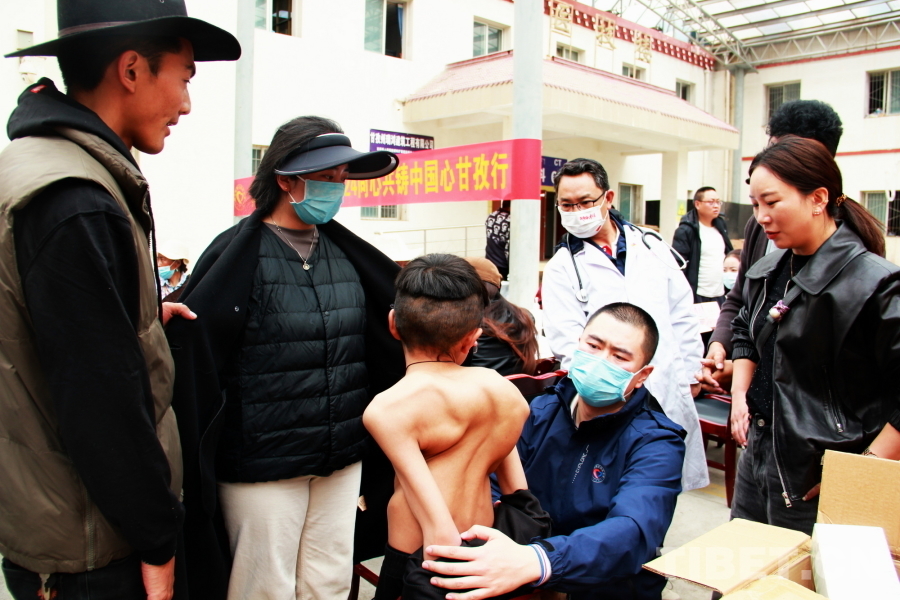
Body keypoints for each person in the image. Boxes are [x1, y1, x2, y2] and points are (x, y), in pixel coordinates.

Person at [0, 2, 239, 599]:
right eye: (184, 78)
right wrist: (157, 540)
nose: (187, 104)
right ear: (132, 70)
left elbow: (43, 328)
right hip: (93, 546)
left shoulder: (41, 167)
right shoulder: (74, 200)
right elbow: (98, 400)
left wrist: (136, 319)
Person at [163, 116, 405, 600]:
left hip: (340, 456)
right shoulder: (237, 254)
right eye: (325, 178)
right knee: (264, 586)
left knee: (330, 581)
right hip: (262, 463)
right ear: (285, 180)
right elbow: (198, 348)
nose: (336, 189)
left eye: (341, 179)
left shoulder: (347, 254)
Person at [422, 302, 686, 600]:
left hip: (603, 586)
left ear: (642, 374)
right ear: (579, 343)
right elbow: (491, 479)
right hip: (519, 566)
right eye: (593, 346)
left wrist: (539, 560)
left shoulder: (657, 442)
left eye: (619, 356)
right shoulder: (541, 411)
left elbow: (633, 531)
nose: (600, 361)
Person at [729, 135, 900, 535]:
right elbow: (744, 329)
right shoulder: (769, 270)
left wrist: (862, 471)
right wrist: (740, 394)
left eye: (772, 202)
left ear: (818, 198)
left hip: (823, 468)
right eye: (755, 205)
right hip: (760, 451)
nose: (761, 217)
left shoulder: (875, 283)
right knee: (745, 563)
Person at [364, 253, 539, 600]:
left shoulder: (389, 408)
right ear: (472, 338)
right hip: (488, 544)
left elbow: (438, 529)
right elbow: (519, 495)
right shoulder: (504, 393)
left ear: (393, 323)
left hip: (423, 559)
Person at [541, 158, 707, 492]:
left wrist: (690, 373)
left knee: (663, 481)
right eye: (567, 205)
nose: (576, 211)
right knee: (618, 486)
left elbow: (681, 314)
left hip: (667, 380)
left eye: (585, 202)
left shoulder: (650, 244)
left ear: (608, 197)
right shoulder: (562, 267)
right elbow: (568, 342)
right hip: (611, 393)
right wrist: (605, 389)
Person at [700, 99, 843, 393]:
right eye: (756, 204)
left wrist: (747, 373)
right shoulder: (760, 226)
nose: (763, 216)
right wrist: (720, 344)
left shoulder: (857, 259)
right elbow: (741, 299)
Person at [463, 256, 539, 376]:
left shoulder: (465, 322)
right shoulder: (524, 316)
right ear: (498, 287)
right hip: (517, 386)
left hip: (475, 385)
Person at [672, 186, 733, 304]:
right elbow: (678, 264)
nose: (716, 206)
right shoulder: (686, 230)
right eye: (711, 202)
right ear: (697, 204)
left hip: (720, 293)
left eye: (718, 202)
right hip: (698, 295)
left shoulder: (721, 226)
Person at [485, 201, 510, 280]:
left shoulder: (491, 216)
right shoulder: (510, 220)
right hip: (502, 262)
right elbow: (508, 247)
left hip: (489, 259)